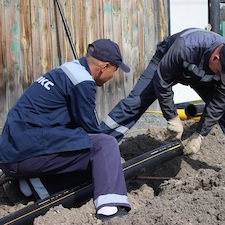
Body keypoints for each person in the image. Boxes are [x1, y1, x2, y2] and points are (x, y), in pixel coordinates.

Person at [99, 28, 225, 170]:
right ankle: (95, 145)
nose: (223, 77)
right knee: (135, 102)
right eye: (221, 73)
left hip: (201, 74)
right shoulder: (186, 47)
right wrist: (172, 117)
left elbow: (219, 102)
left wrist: (200, 134)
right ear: (216, 58)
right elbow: (163, 81)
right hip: (168, 63)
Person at [0, 39, 131, 221]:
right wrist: (113, 159)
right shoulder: (83, 82)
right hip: (26, 152)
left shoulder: (66, 71)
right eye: (114, 71)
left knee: (97, 162)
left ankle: (26, 187)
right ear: (104, 66)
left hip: (13, 153)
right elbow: (91, 130)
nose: (112, 77)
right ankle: (111, 209)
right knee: (105, 147)